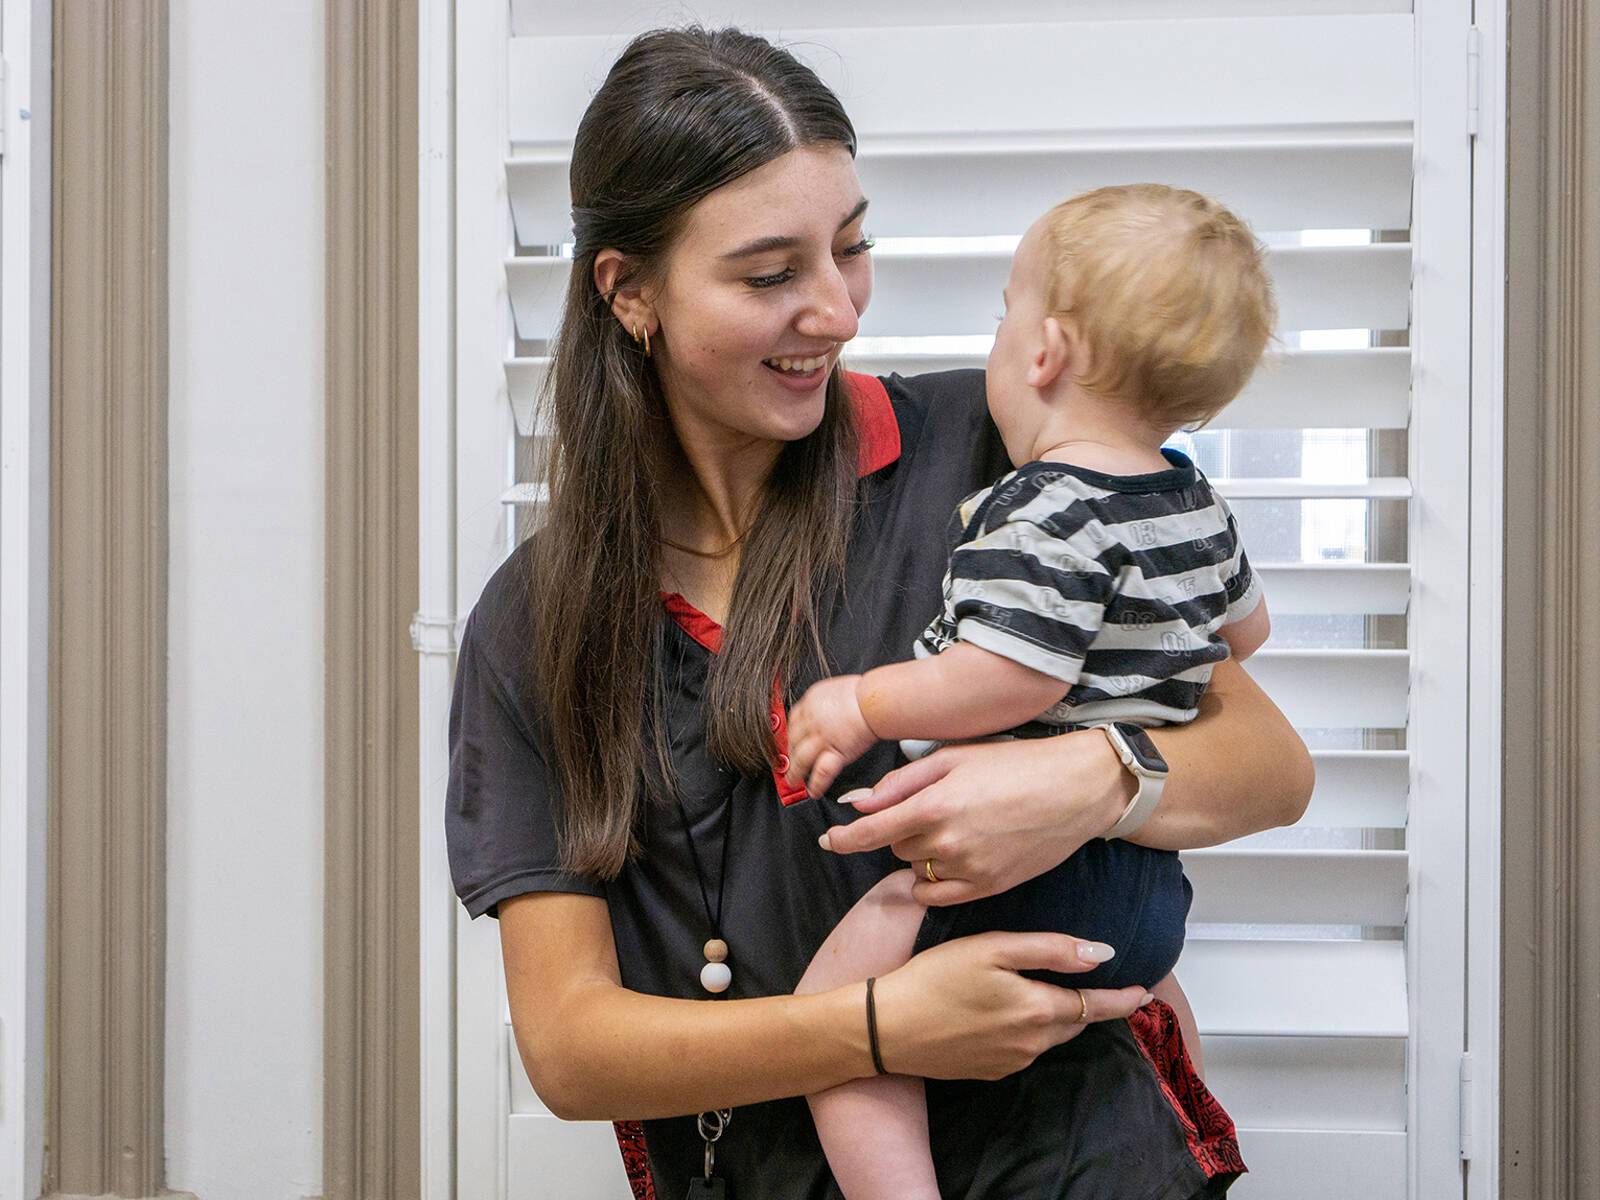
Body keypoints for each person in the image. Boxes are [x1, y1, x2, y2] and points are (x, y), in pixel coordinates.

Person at [445, 26, 1312, 1200]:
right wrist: (878, 1030)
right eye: (769, 275)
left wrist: (1092, 780)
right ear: (629, 292)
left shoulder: (1011, 459)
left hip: (1088, 1156)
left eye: (851, 250)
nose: (838, 311)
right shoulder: (537, 620)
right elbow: (571, 1047)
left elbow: (1270, 767)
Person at [782, 184, 1275, 1199]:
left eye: (1006, 308)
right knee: (1141, 1001)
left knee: (836, 1012)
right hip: (1144, 883)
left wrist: (864, 703)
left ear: (1043, 352)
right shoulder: (1192, 498)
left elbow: (1009, 678)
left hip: (1022, 876)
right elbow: (1246, 633)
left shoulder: (1041, 508)